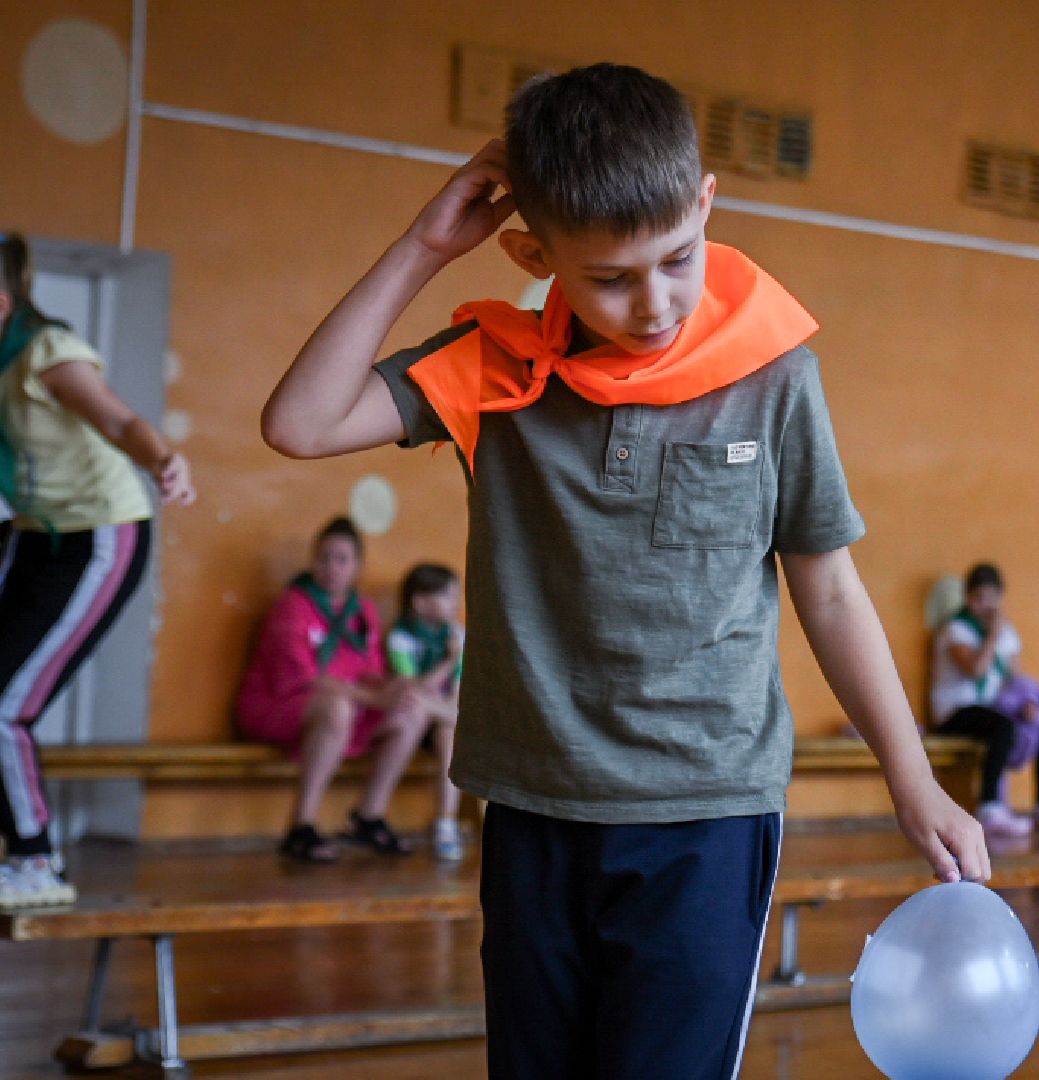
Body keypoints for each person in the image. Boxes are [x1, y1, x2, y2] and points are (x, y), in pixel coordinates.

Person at [259, 63, 987, 1077]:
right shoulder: (490, 365)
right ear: (533, 252)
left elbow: (827, 585)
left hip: (707, 811)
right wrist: (425, 246)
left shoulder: (773, 374)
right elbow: (299, 424)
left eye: (677, 260)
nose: (654, 303)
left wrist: (914, 782)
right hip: (533, 804)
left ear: (705, 206)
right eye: (608, 277)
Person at [0, 232, 196, 911]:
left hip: (98, 536)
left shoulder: (44, 352)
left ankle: (34, 863)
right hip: (30, 534)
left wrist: (164, 460)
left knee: (4, 707)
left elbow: (118, 421)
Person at [237, 517, 435, 862]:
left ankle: (369, 817)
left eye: (341, 559)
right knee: (336, 707)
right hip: (277, 706)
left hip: (343, 707)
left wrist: (394, 687)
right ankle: (302, 826)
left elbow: (369, 672)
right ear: (314, 561)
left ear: (357, 566)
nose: (331, 566)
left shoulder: (363, 610)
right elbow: (306, 678)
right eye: (324, 557)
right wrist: (373, 698)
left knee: (410, 708)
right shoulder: (293, 605)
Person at [930, 562, 1039, 837]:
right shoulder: (955, 629)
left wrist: (1028, 703)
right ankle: (990, 806)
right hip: (955, 713)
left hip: (993, 710)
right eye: (978, 598)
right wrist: (993, 634)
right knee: (1002, 727)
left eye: (991, 598)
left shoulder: (1006, 634)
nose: (985, 605)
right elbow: (976, 669)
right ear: (968, 598)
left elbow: (1014, 678)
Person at [386, 562, 465, 862]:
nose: (456, 604)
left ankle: (446, 823)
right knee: (416, 705)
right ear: (420, 602)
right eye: (448, 596)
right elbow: (411, 688)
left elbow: (458, 692)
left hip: (445, 716)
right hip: (413, 720)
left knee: (449, 737)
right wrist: (447, 661)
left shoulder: (458, 635)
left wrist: (445, 704)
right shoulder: (400, 638)